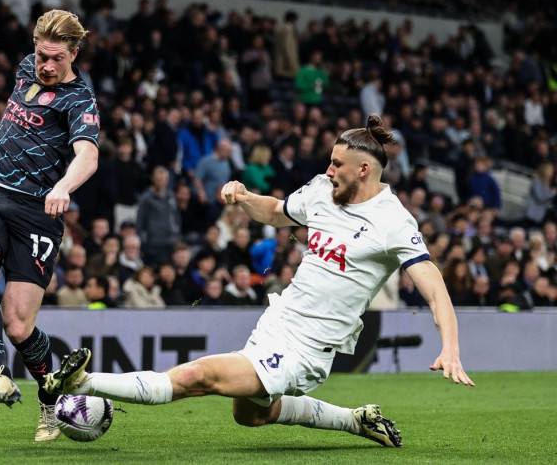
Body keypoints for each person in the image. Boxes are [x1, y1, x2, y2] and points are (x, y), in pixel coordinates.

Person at [44, 114, 474, 448]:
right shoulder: (323, 190)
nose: (328, 169)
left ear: (364, 170)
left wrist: (451, 347)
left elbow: (433, 287)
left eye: (337, 163)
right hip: (279, 322)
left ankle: (84, 381)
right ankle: (356, 419)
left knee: (197, 377)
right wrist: (245, 196)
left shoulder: (394, 222)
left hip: (309, 349)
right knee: (250, 416)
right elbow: (275, 212)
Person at [0, 10, 99, 442]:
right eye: (41, 56)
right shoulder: (25, 68)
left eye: (57, 58)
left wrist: (64, 186)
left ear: (74, 54)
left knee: (18, 324)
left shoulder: (80, 100)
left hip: (38, 210)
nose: (46, 66)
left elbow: (88, 156)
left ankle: (49, 398)